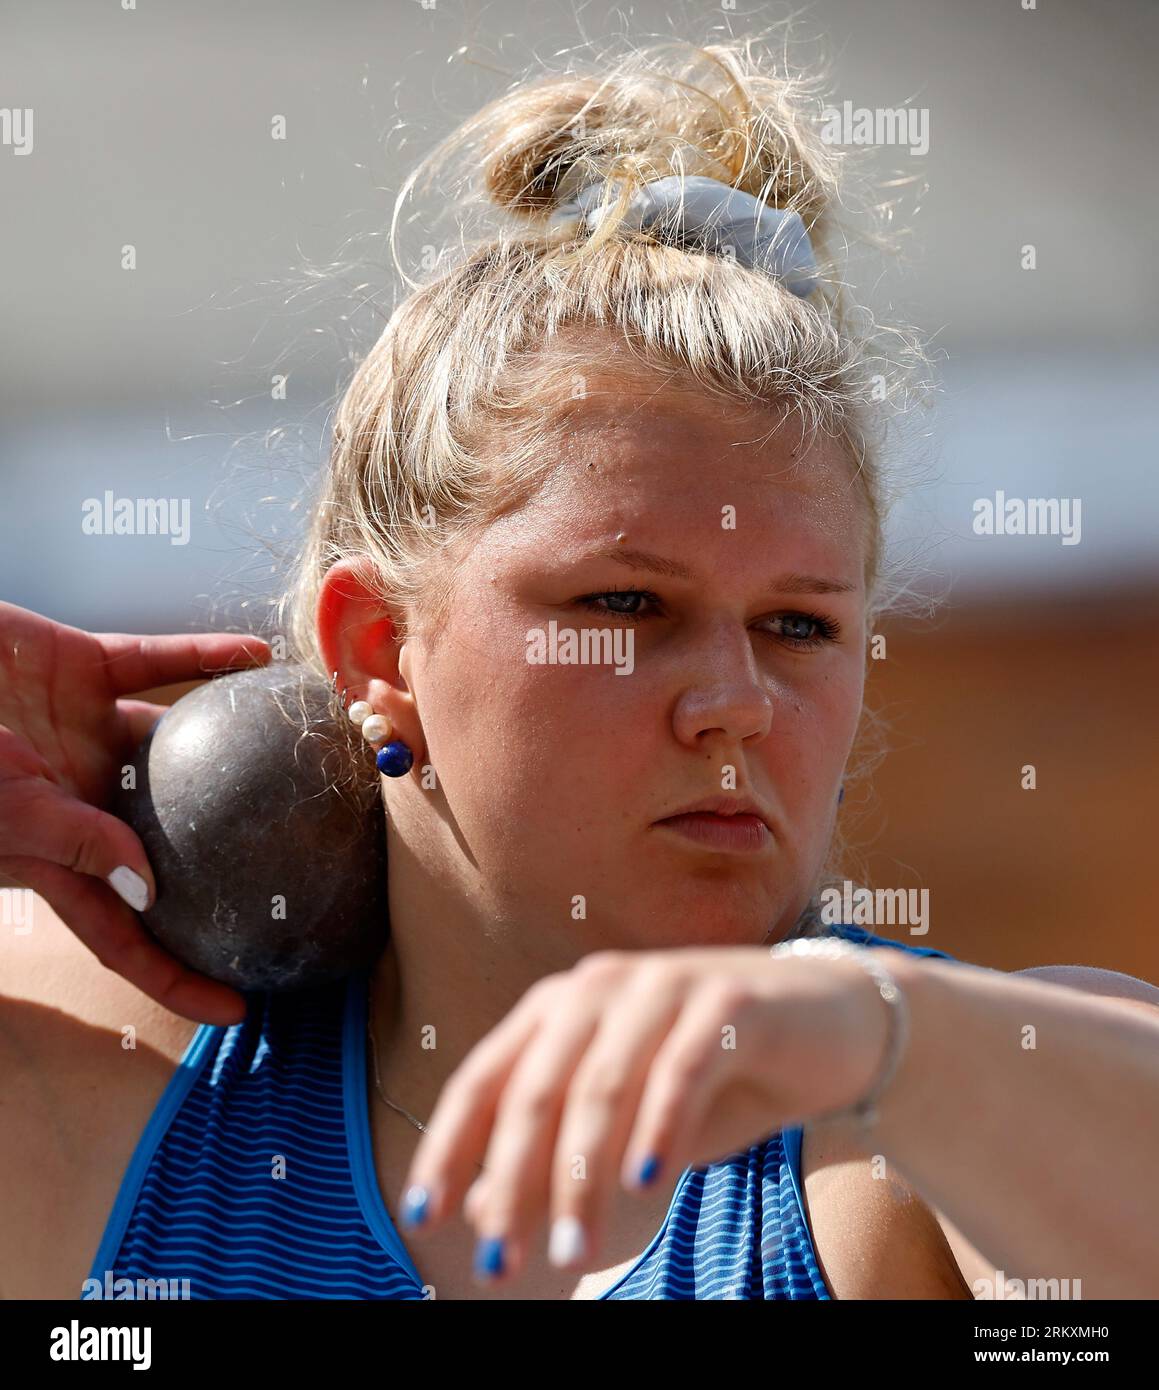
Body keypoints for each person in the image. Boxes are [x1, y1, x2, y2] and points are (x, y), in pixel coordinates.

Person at [2, 37, 1158, 1302]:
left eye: (798, 626)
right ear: (378, 647)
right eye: (625, 605)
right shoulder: (104, 1074)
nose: (735, 702)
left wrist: (889, 1037)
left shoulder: (920, 1143)